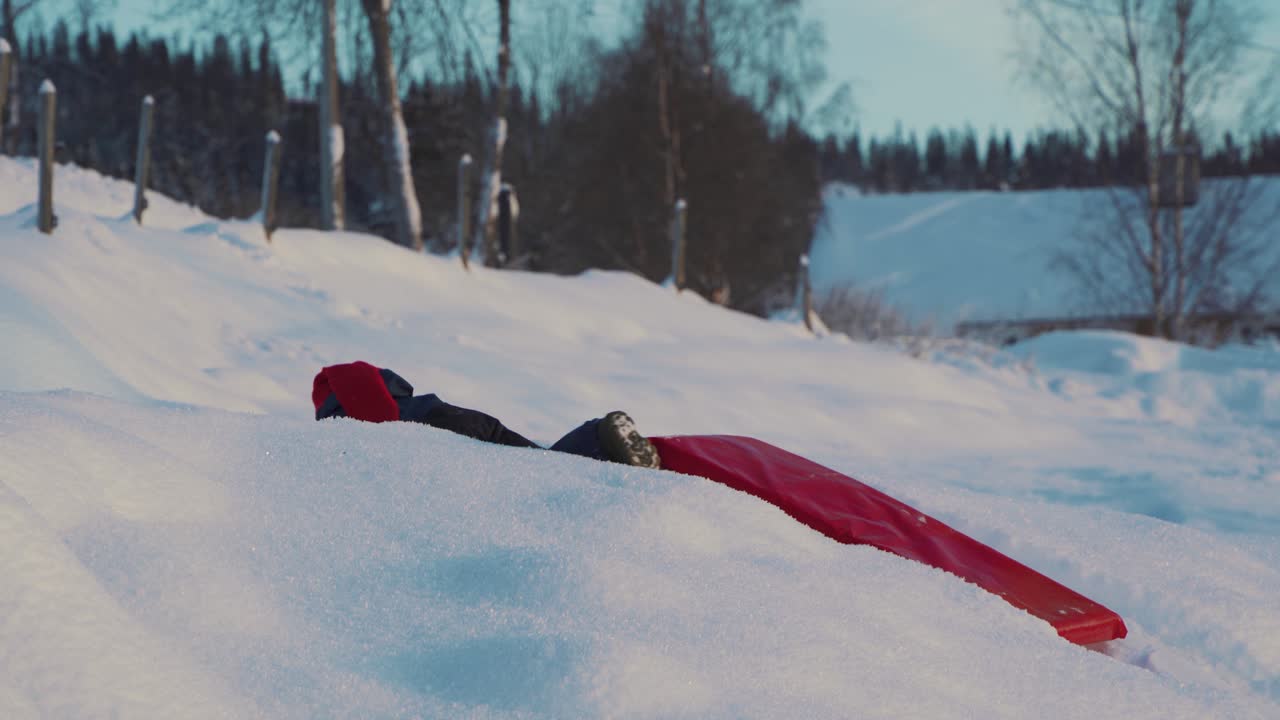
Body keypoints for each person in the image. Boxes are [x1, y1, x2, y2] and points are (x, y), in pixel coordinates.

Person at [311, 361, 661, 469]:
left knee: (544, 470)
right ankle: (600, 439)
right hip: (451, 418)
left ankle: (599, 438)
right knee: (541, 465)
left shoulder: (342, 422)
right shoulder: (381, 397)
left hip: (443, 427)